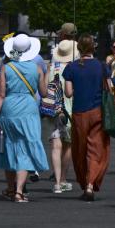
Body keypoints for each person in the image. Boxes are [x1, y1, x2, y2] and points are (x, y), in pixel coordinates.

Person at [0, 34, 49, 202]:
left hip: (9, 108)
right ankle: (19, 191)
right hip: (28, 109)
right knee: (25, 148)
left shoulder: (6, 68)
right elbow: (44, 93)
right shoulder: (37, 68)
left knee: (9, 146)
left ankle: (10, 188)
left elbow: (1, 94)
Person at [63, 33, 112, 201]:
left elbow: (68, 93)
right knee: (96, 149)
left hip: (79, 113)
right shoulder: (102, 66)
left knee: (80, 149)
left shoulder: (71, 67)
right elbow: (110, 89)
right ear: (94, 48)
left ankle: (85, 182)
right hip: (98, 111)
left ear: (79, 48)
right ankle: (91, 184)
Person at [43, 39, 79, 194]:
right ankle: (64, 179)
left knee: (55, 146)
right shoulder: (73, 69)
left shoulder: (51, 68)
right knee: (68, 146)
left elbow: (44, 90)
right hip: (69, 110)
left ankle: (57, 182)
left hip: (52, 110)